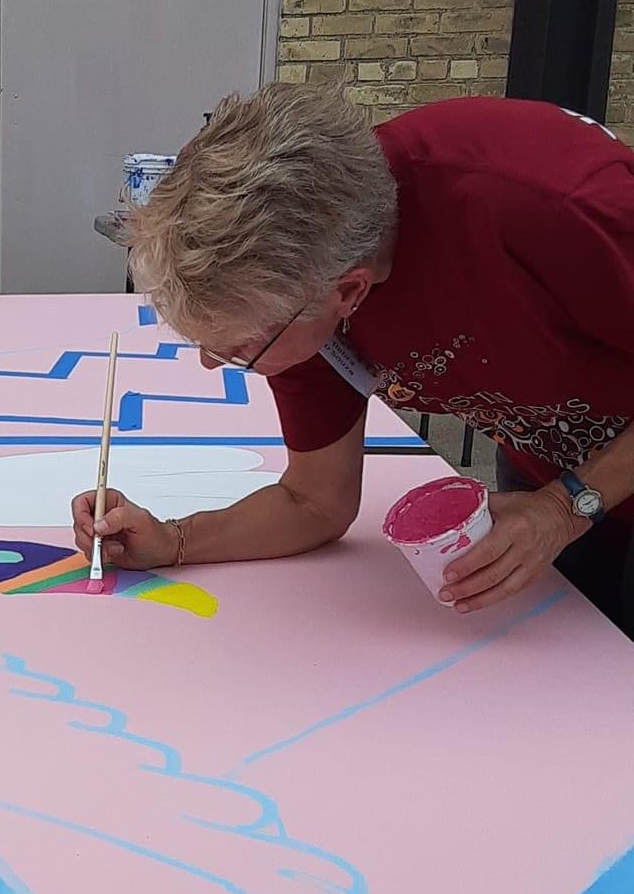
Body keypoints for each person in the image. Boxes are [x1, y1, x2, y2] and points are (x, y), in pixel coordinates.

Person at [72, 83, 634, 638]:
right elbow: (316, 501)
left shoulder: (554, 204)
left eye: (240, 349)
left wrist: (566, 508)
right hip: (559, 479)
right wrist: (173, 541)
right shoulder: (301, 290)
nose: (213, 364)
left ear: (348, 291)